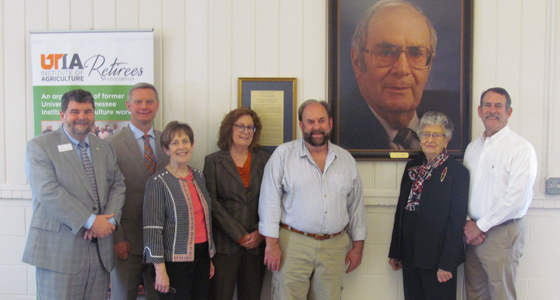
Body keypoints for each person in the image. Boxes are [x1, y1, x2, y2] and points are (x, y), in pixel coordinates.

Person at [22, 89, 126, 299]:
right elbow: (48, 192)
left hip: (99, 253)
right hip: (59, 253)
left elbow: (118, 184)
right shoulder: (40, 146)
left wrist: (109, 221)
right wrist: (90, 221)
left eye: (87, 111)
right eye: (74, 111)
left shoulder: (103, 147)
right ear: (62, 115)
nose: (82, 117)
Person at [259, 100, 367, 299]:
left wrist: (358, 247)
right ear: (301, 125)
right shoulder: (283, 155)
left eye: (321, 120)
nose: (316, 127)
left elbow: (356, 206)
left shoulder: (346, 160)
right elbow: (269, 202)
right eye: (310, 121)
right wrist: (271, 244)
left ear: (330, 123)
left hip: (335, 246)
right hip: (293, 245)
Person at [340, 0, 459, 150]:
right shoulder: (340, 130)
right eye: (386, 52)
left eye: (416, 53)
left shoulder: (454, 114)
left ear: (429, 65)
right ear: (357, 61)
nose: (402, 69)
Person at [463, 87, 537, 300]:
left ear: (509, 112)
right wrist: (469, 224)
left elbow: (516, 200)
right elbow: (464, 190)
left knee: (501, 295)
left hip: (500, 233)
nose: (492, 110)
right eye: (487, 105)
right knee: (474, 294)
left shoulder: (520, 149)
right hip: (471, 234)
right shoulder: (472, 148)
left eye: (498, 106)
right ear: (479, 110)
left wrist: (480, 226)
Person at [388, 111, 469, 300]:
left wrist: (448, 263)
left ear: (446, 140)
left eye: (436, 135)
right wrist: (396, 251)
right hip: (410, 254)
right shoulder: (412, 168)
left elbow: (456, 221)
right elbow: (401, 212)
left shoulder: (458, 173)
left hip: (437, 259)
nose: (430, 139)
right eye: (425, 134)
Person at [107, 83, 169, 300]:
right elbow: (107, 196)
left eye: (149, 101)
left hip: (161, 243)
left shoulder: (168, 142)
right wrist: (117, 238)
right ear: (128, 105)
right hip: (127, 242)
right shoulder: (111, 144)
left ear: (157, 106)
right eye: (138, 102)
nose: (144, 106)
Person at [143, 121, 215, 299]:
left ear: (192, 145)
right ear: (166, 149)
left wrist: (209, 258)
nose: (181, 147)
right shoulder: (157, 182)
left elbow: (205, 221)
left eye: (185, 141)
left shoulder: (198, 176)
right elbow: (152, 229)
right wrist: (160, 270)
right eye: (175, 143)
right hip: (173, 264)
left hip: (202, 257)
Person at [204, 108, 270, 300]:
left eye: (251, 127)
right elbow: (211, 202)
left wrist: (260, 232)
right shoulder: (213, 161)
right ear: (229, 129)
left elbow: (272, 200)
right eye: (240, 126)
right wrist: (239, 235)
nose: (246, 131)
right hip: (225, 245)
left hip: (256, 245)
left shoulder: (265, 160)